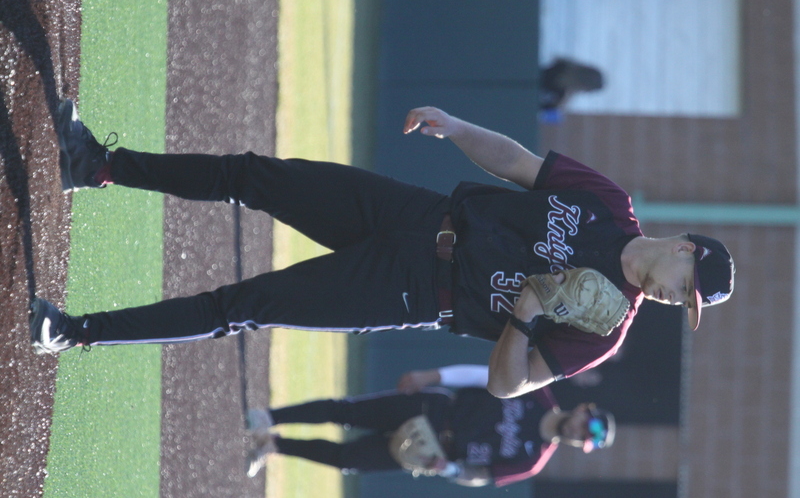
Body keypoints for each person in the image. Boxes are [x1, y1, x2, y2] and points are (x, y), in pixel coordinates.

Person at [30, 99, 735, 397]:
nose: (679, 298)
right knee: (255, 175)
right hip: (419, 213)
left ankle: (75, 331)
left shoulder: (606, 328)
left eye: (687, 304)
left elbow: (505, 384)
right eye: (689, 281)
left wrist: (524, 314)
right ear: (683, 245)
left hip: (415, 290)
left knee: (244, 303)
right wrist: (457, 125)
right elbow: (521, 164)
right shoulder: (610, 206)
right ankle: (98, 166)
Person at [244, 364, 615, 486]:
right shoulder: (538, 393)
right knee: (347, 412)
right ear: (584, 408)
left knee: (349, 459)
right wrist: (432, 375)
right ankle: (270, 417)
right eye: (589, 424)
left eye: (588, 439)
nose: (581, 432)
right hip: (435, 409)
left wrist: (447, 469)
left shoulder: (532, 460)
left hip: (432, 450)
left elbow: (481, 475)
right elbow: (481, 375)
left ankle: (274, 445)